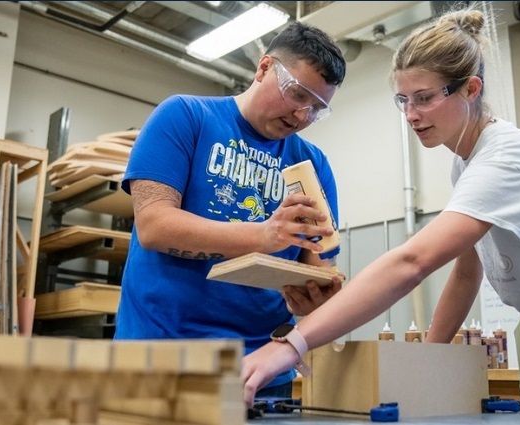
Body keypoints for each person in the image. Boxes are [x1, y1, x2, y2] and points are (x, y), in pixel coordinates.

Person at [241, 8, 520, 413]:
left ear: (471, 88)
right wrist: (424, 362)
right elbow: (467, 273)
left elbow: (413, 261)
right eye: (403, 100)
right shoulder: (465, 164)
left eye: (425, 98)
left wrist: (291, 344)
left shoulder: (506, 158)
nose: (411, 115)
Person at [115, 22, 348, 398]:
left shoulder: (313, 164)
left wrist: (318, 296)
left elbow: (319, 264)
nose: (302, 115)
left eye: (316, 108)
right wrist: (264, 235)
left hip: (262, 370)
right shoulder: (184, 116)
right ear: (264, 68)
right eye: (297, 94)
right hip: (161, 357)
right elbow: (154, 225)